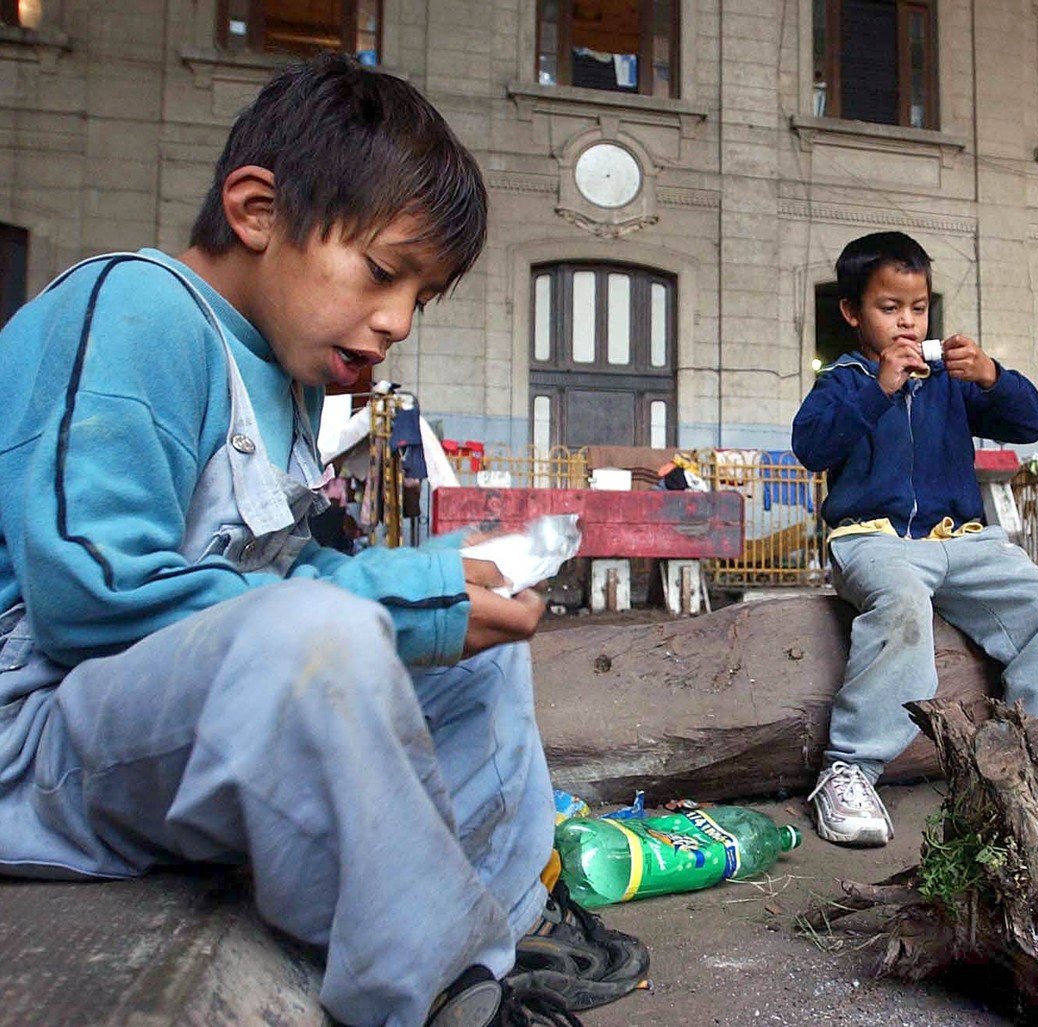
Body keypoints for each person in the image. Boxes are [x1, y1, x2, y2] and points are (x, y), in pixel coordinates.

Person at [0, 56, 646, 1027]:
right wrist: (395, 602)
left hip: (167, 731)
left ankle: (491, 940)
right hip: (38, 741)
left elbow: (287, 577)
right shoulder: (133, 309)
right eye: (383, 272)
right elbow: (90, 595)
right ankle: (427, 990)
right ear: (258, 210)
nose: (394, 321)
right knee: (326, 634)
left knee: (478, 656)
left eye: (418, 300)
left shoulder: (289, 384)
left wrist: (434, 582)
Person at [792, 231, 1038, 848]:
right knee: (902, 604)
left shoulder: (949, 381)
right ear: (851, 313)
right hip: (873, 540)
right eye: (888, 308)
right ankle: (849, 767)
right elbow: (811, 448)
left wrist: (992, 375)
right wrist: (879, 390)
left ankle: (1021, 756)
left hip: (964, 541)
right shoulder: (844, 381)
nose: (906, 321)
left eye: (917, 307)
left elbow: (1031, 423)